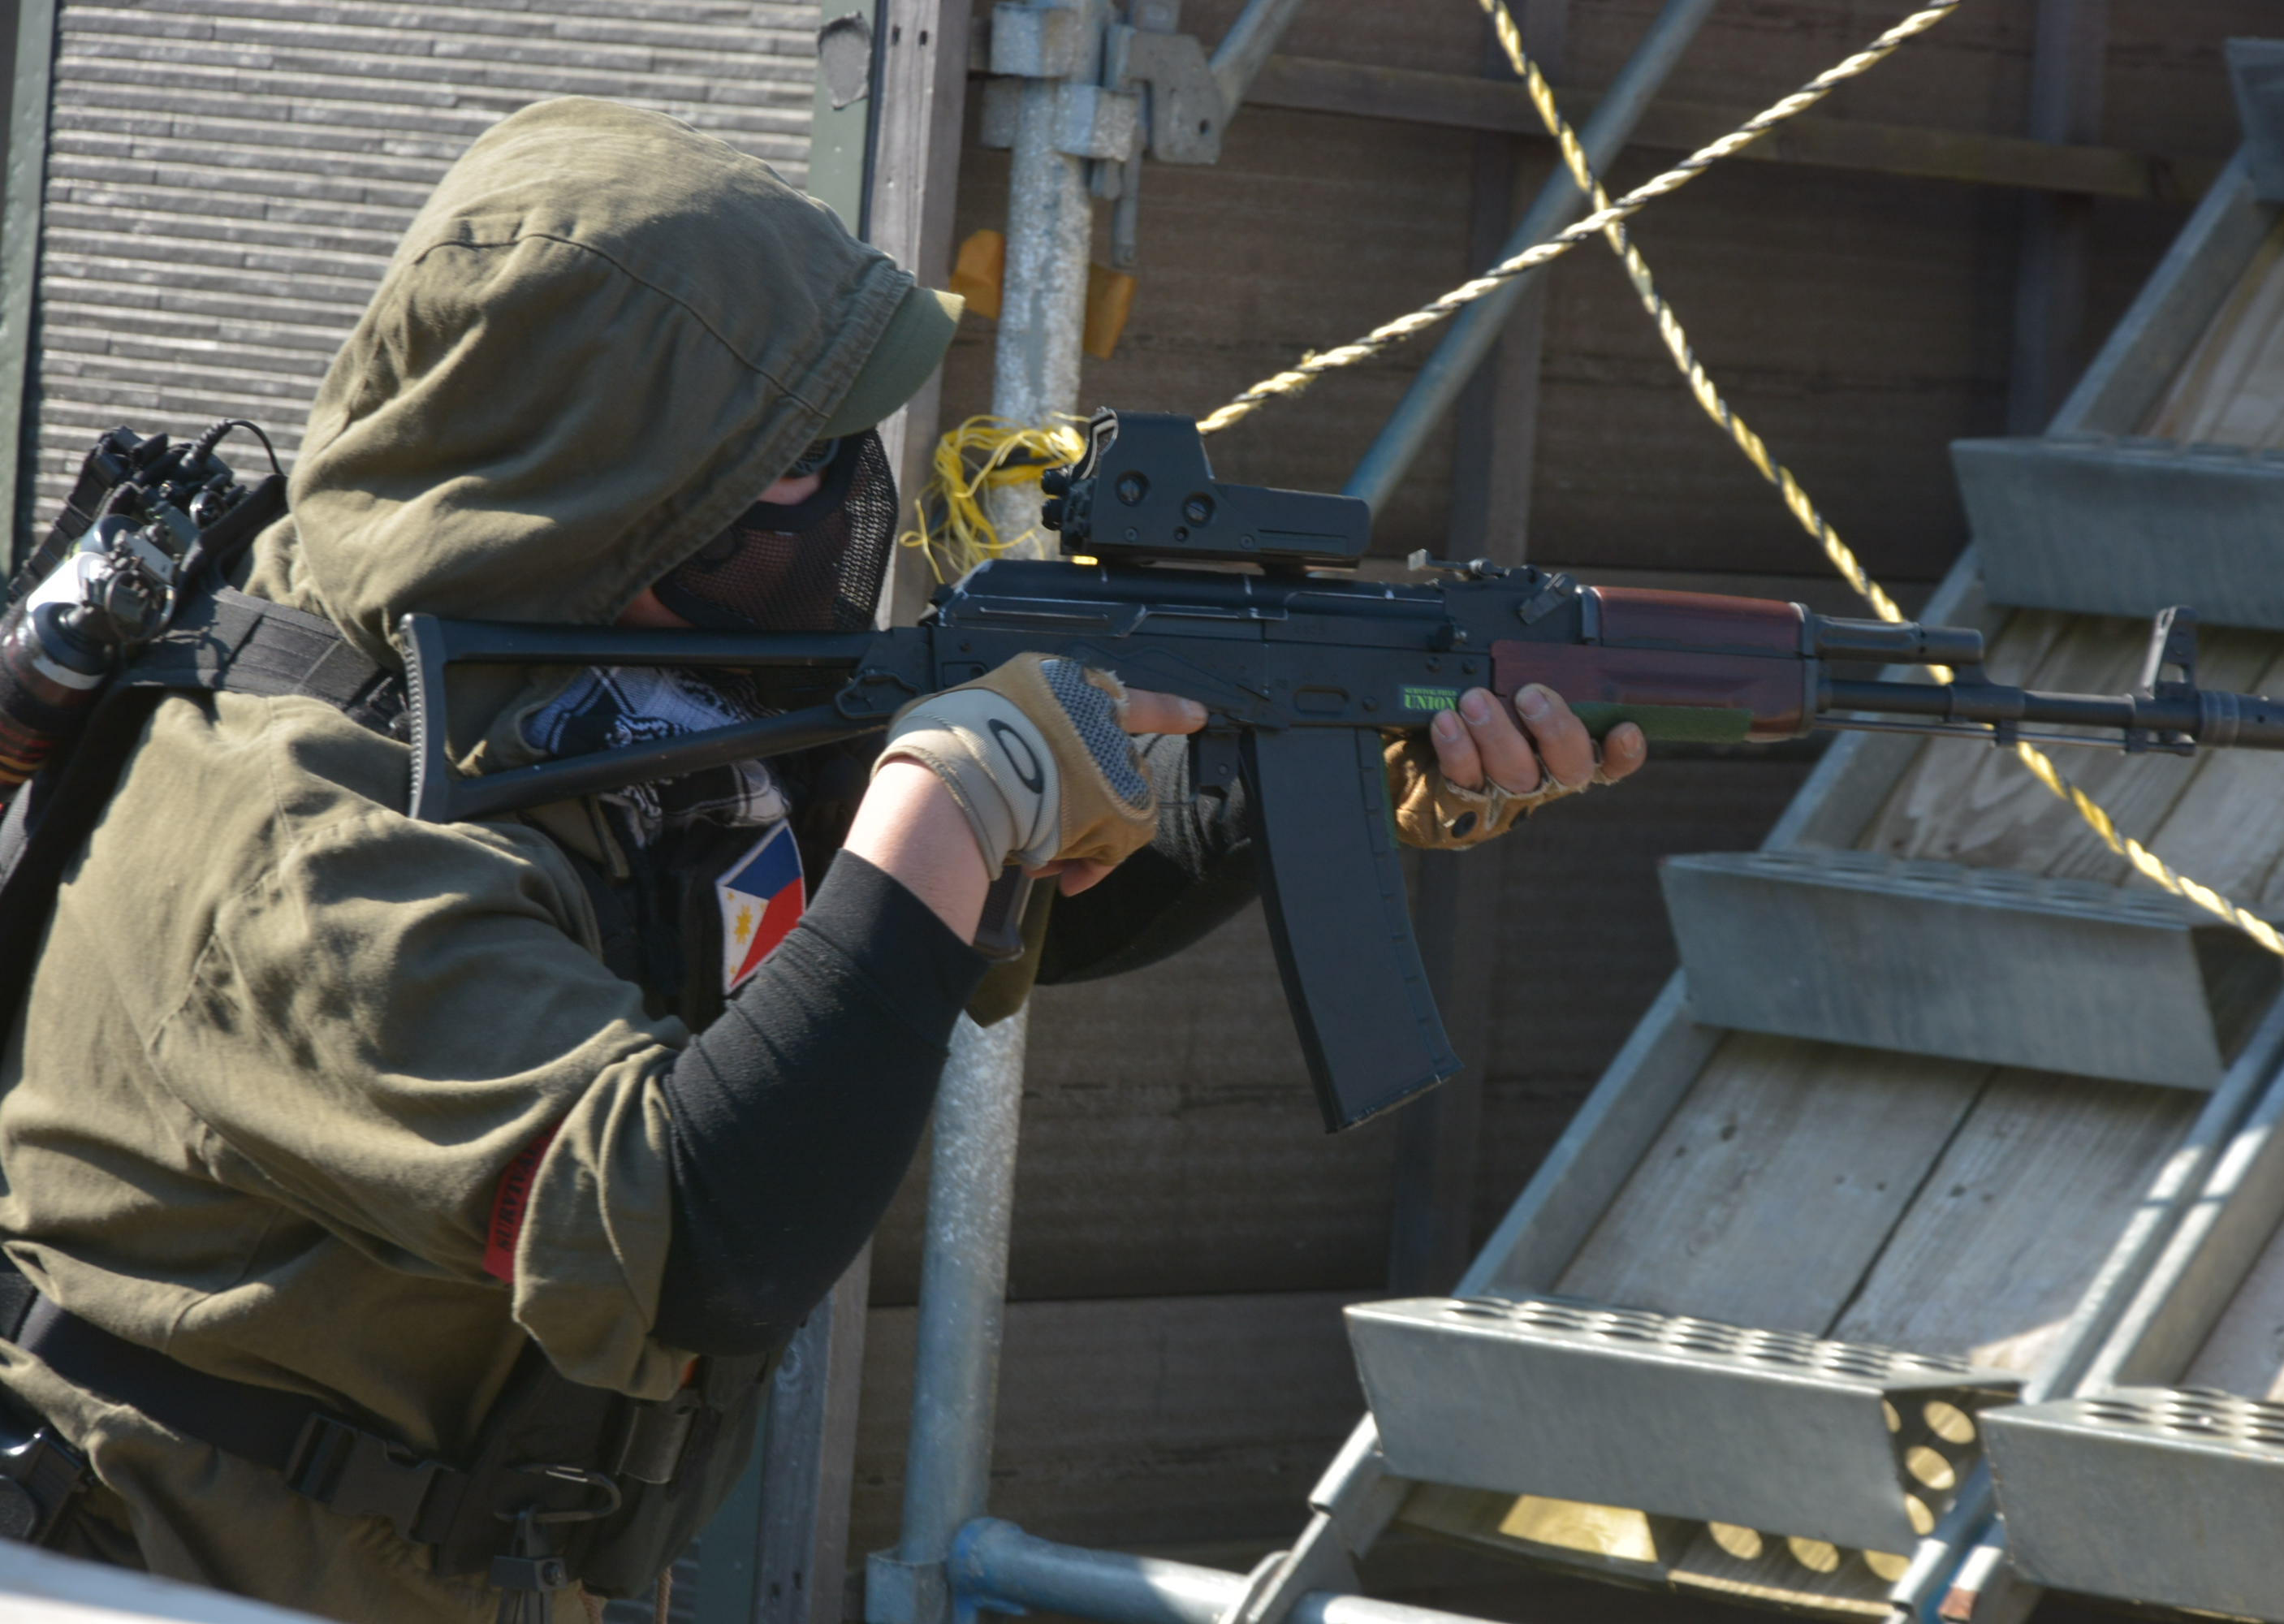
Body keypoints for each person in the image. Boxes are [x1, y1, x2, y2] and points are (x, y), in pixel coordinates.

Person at [0, 97, 1643, 1622]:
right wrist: (957, 791)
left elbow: (868, 957)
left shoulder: (587, 694)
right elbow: (708, 1235)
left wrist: (1320, 765)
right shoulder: (303, 846)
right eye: (793, 461)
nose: (856, 494)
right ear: (609, 479)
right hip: (168, 1569)